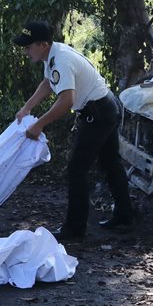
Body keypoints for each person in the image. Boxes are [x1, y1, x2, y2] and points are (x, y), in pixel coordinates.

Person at [14, 21, 134, 241]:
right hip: (105, 107)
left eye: (28, 46)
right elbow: (48, 83)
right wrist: (27, 107)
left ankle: (75, 228)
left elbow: (66, 100)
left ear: (42, 44)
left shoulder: (61, 60)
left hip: (98, 114)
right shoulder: (52, 54)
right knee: (110, 163)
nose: (26, 51)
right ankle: (125, 216)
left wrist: (39, 123)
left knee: (76, 170)